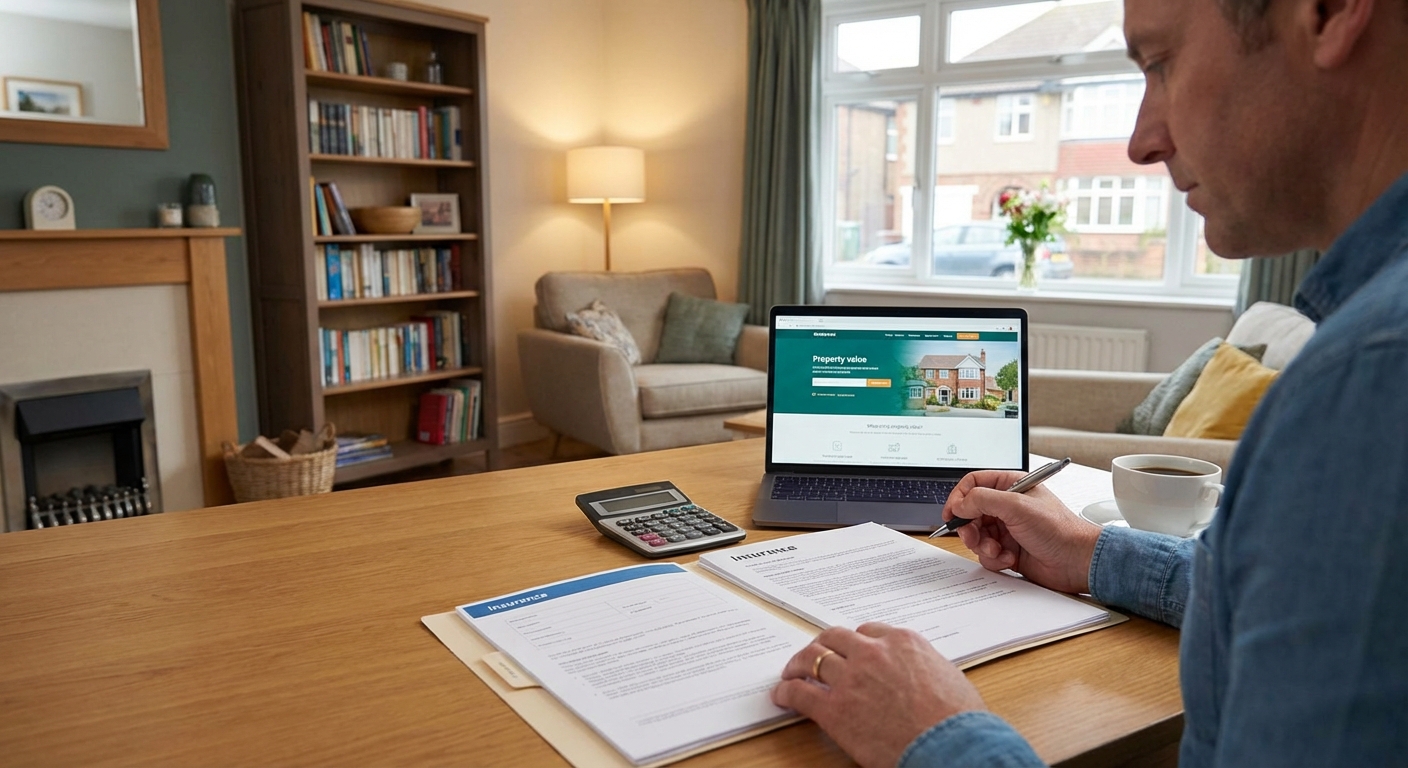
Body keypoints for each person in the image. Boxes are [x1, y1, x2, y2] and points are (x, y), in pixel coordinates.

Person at [771, 0, 1408, 764]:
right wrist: (1090, 552)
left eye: (1160, 62)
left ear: (1330, 12)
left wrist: (936, 736)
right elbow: (1280, 598)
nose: (1141, 141)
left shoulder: (1371, 379)